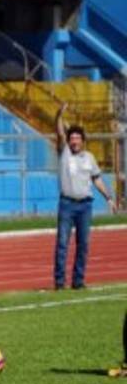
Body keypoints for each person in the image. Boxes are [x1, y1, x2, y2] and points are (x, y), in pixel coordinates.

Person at [53, 103, 119, 290]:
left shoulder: (89, 157)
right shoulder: (64, 152)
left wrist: (108, 198)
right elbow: (59, 130)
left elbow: (97, 179)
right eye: (71, 138)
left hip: (85, 206)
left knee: (83, 245)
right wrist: (59, 114)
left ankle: (78, 281)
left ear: (82, 141)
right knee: (62, 244)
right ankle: (59, 282)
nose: (74, 141)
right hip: (67, 204)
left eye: (77, 138)